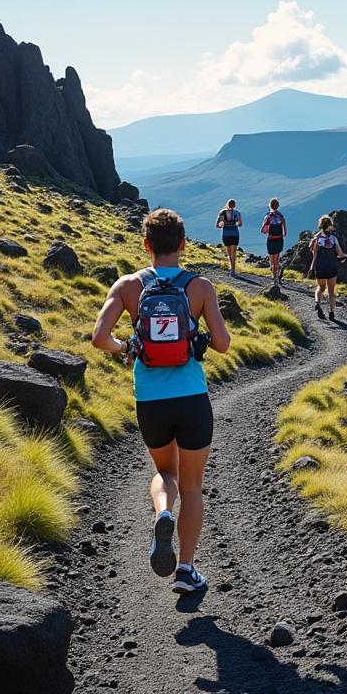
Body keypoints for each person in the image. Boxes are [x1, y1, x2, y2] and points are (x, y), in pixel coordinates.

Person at [91, 208, 231, 594]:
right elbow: (222, 344)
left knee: (165, 474)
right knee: (192, 484)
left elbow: (99, 338)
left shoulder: (128, 286)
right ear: (183, 244)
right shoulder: (200, 287)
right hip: (192, 398)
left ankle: (162, 513)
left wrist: (127, 348)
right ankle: (186, 570)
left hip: (150, 400)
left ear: (146, 244)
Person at [309, 214, 347, 321]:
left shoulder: (317, 239)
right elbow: (340, 254)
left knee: (320, 288)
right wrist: (345, 257)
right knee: (331, 291)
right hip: (332, 267)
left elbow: (314, 254)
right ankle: (331, 312)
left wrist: (312, 267)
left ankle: (318, 303)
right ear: (330, 226)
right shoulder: (333, 239)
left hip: (320, 267)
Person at [261, 198, 288, 286]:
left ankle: (275, 277)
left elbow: (263, 230)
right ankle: (276, 277)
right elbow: (285, 232)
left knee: (272, 260)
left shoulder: (268, 216)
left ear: (270, 205)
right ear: (278, 206)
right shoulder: (281, 216)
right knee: (276, 259)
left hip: (271, 239)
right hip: (279, 239)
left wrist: (268, 228)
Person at [216, 199, 242, 276]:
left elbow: (218, 225)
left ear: (227, 204)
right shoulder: (237, 213)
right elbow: (240, 224)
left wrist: (223, 224)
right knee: (233, 252)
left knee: (229, 253)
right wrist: (235, 223)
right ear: (234, 205)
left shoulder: (222, 213)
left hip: (226, 234)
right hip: (234, 233)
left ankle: (231, 270)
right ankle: (233, 270)